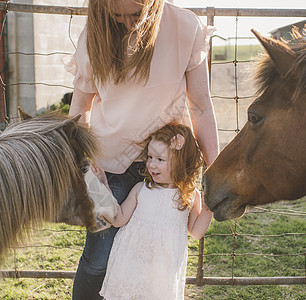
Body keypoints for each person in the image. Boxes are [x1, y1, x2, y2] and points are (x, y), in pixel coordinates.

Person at [63, 0, 219, 298]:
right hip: (108, 167)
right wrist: (85, 163)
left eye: (136, 14)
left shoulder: (185, 27)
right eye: (116, 15)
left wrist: (214, 169)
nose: (128, 23)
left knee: (153, 262)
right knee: (98, 260)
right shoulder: (93, 36)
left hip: (168, 165)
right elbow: (80, 108)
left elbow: (200, 106)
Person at [99, 123, 213, 299]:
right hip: (131, 266)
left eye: (160, 159)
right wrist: (103, 187)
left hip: (162, 273)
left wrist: (208, 209)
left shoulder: (190, 195)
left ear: (181, 162)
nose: (152, 164)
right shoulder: (141, 189)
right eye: (150, 157)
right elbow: (118, 219)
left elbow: (196, 232)